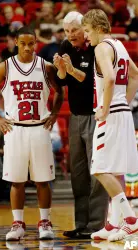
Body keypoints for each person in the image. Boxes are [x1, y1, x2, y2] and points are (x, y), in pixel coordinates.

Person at [0, 26, 64, 241]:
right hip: (15, 128)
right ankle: (18, 223)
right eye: (23, 43)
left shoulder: (46, 67)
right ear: (15, 43)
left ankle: (44, 221)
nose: (28, 48)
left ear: (36, 44)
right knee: (16, 181)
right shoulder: (5, 67)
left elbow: (60, 91)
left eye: (32, 43)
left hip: (40, 128)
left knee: (43, 180)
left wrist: (55, 113)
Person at [82, 9, 138, 241]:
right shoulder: (119, 45)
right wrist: (123, 101)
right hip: (122, 112)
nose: (86, 37)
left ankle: (130, 219)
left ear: (97, 28)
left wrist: (105, 106)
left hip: (111, 115)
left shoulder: (102, 47)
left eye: (86, 31)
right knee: (114, 170)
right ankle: (113, 224)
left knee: (99, 169)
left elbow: (111, 78)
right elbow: (135, 75)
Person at [53, 11, 109, 238]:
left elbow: (89, 84)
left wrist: (71, 70)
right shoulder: (66, 46)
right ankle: (81, 224)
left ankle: (96, 225)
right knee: (77, 173)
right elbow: (61, 81)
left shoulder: (97, 48)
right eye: (66, 31)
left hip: (95, 115)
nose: (70, 35)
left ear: (84, 28)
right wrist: (61, 69)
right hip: (76, 116)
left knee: (96, 172)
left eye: (74, 30)